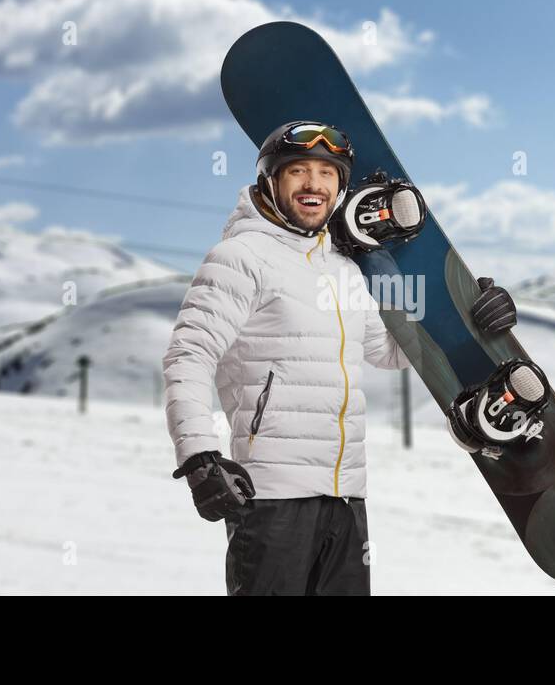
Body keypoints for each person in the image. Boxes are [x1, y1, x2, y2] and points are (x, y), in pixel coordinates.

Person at [162, 120, 517, 595]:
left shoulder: (344, 270)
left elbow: (390, 350)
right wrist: (200, 457)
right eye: (299, 171)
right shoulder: (240, 257)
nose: (314, 184)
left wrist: (471, 319)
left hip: (347, 499)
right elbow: (189, 353)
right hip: (272, 499)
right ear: (271, 180)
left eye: (328, 174)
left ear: (341, 187)